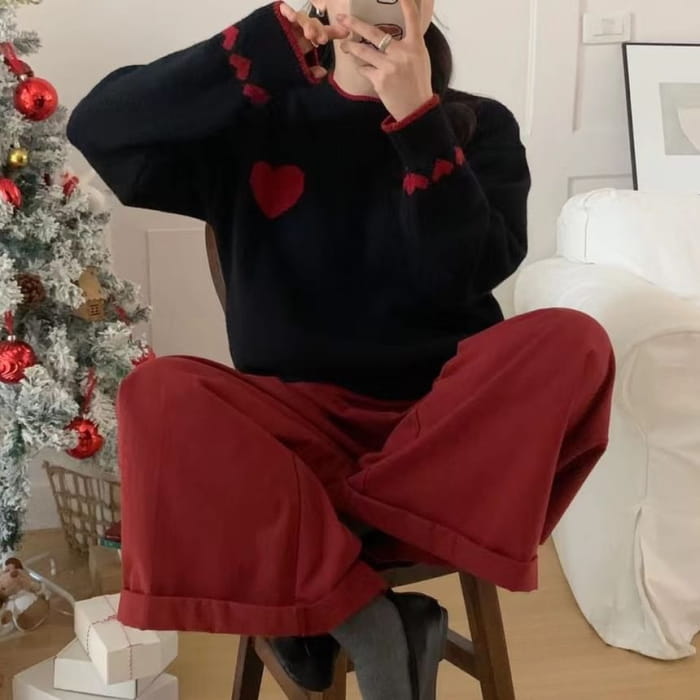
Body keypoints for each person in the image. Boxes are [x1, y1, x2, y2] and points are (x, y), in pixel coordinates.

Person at [66, 1, 615, 698]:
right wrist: (267, 41)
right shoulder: (253, 117)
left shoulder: (479, 125)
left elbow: (465, 276)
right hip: (294, 437)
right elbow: (98, 127)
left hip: (437, 435)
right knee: (158, 392)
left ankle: (311, 564)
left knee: (574, 341)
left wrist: (418, 120)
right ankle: (366, 614)